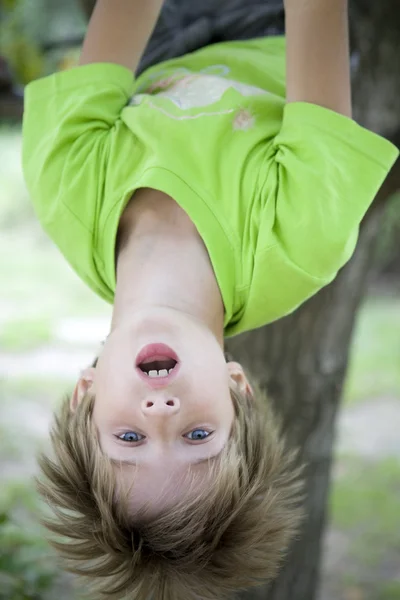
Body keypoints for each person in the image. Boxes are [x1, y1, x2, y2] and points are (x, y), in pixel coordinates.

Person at [22, 0, 398, 598]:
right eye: (198, 439)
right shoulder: (300, 237)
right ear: (237, 389)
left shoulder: (64, 186)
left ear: (85, 396)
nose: (161, 414)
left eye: (129, 441)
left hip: (158, 43)